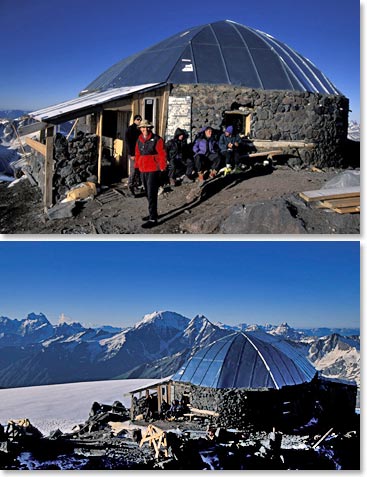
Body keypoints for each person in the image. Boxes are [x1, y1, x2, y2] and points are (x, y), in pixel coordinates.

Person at [135, 119, 167, 229]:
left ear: (150, 128)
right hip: (143, 169)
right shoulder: (139, 140)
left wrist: (162, 168)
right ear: (140, 129)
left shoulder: (157, 139)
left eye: (147, 127)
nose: (145, 129)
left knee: (152, 193)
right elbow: (137, 154)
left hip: (153, 169)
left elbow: (162, 154)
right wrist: (136, 168)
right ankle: (153, 212)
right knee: (147, 193)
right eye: (143, 127)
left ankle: (153, 219)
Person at [125, 114, 142, 196]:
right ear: (135, 120)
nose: (139, 121)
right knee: (133, 170)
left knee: (138, 170)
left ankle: (135, 185)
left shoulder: (139, 129)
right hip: (133, 153)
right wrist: (132, 154)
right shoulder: (130, 129)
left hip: (139, 153)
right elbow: (129, 143)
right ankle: (130, 186)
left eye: (140, 120)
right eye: (138, 119)